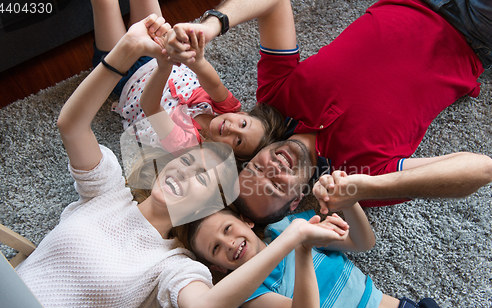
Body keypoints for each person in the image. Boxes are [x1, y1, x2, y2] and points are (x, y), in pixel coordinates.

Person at [14, 14, 353, 308]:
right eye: (188, 164)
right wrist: (127, 49)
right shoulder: (109, 191)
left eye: (203, 180)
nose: (185, 174)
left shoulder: (174, 266)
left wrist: (294, 239)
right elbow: (71, 126)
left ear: (205, 207)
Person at [164, 0, 492, 223]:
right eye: (276, 186)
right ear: (296, 201)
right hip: (471, 34)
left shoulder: (275, 98)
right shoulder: (363, 175)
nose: (272, 168)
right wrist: (365, 189)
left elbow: (275, 3)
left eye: (255, 170)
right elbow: (480, 169)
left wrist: (208, 28)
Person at [174, 181, 491, 308]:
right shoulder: (248, 294)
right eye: (216, 248)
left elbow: (362, 242)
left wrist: (349, 201)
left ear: (246, 221)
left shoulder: (291, 225)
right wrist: (301, 249)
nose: (229, 243)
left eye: (227, 229)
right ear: (216, 266)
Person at [91, 0, 285, 162]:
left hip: (125, 77)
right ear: (242, 114)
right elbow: (213, 83)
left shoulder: (189, 147)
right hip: (159, 52)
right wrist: (197, 60)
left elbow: (149, 106)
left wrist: (164, 65)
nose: (232, 129)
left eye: (238, 142)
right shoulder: (228, 109)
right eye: (243, 124)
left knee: (105, 4)